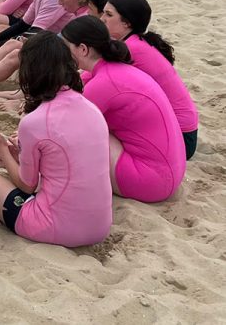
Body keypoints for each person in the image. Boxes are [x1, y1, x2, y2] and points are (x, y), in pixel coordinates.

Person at [0, 32, 112, 247]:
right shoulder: (91, 108)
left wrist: (1, 150)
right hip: (99, 227)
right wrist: (14, 154)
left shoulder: (35, 121)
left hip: (54, 227)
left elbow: (27, 185)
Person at [61, 16, 186, 203]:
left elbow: (63, 128)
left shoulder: (104, 82)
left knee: (82, 133)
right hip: (171, 172)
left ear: (83, 49)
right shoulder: (115, 69)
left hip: (151, 182)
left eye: (66, 47)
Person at [102, 0, 199, 158]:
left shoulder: (132, 49)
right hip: (183, 130)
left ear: (127, 23)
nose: (102, 18)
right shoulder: (136, 42)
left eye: (108, 14)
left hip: (181, 138)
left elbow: (97, 77)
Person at [0, 0, 94, 107]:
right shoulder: (74, 11)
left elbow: (6, 10)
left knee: (22, 50)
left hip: (73, 66)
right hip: (69, 58)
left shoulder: (84, 17)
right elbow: (25, 24)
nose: (60, 3)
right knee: (9, 39)